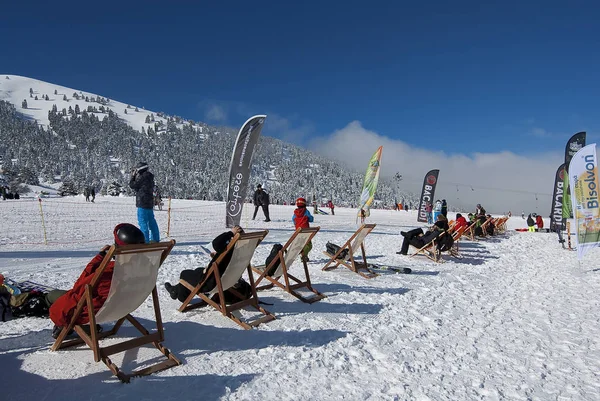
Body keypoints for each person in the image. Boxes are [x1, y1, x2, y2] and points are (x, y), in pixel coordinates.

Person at [48, 223, 146, 338]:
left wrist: (100, 257)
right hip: (120, 308)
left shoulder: (109, 271)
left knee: (52, 296)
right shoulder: (144, 268)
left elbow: (79, 286)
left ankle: (71, 327)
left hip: (91, 312)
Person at [164, 226, 244, 302]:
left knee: (185, 273)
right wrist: (217, 256)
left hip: (211, 283)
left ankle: (179, 294)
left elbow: (216, 243)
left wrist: (230, 233)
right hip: (226, 280)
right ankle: (175, 291)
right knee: (198, 271)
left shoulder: (229, 248)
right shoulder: (241, 252)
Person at [129, 162, 160, 243]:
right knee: (151, 221)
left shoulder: (143, 177)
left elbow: (132, 185)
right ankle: (155, 239)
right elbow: (140, 188)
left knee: (143, 222)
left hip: (142, 203)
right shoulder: (150, 177)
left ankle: (145, 240)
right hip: (149, 202)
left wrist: (133, 177)